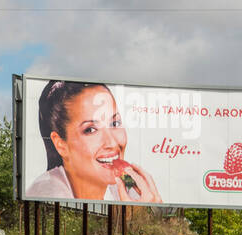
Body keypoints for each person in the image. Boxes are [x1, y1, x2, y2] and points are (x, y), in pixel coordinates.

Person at [25, 81, 162, 203]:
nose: (112, 143)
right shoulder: (46, 193)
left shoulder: (124, 187)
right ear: (61, 144)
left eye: (115, 123)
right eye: (90, 129)